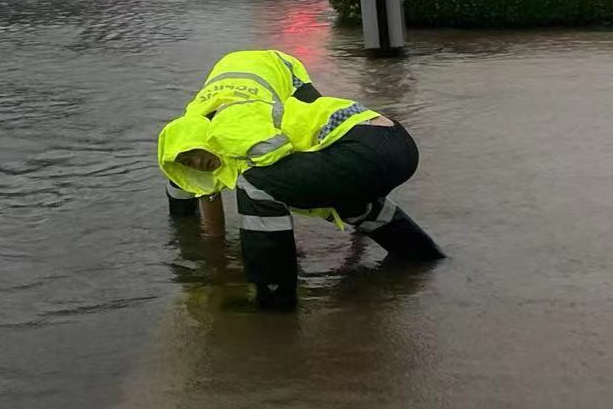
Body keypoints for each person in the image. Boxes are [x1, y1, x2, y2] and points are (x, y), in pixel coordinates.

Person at [158, 50, 444, 309]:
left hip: (363, 147)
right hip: (396, 144)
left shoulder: (228, 122)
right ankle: (421, 255)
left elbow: (272, 149)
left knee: (255, 182)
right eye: (187, 164)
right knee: (343, 199)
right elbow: (205, 187)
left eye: (191, 155)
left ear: (199, 135)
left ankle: (274, 298)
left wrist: (215, 253)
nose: (196, 164)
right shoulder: (226, 115)